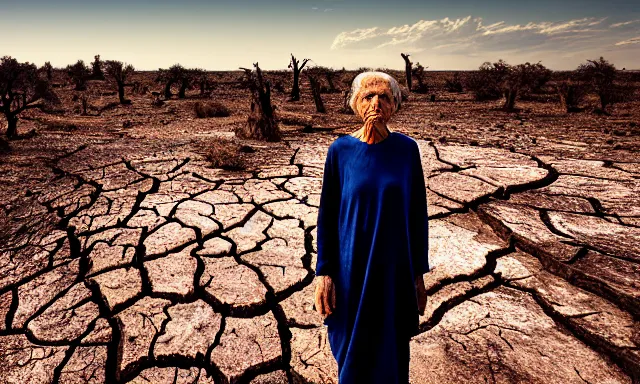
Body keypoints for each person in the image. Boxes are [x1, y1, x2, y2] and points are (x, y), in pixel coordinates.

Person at [314, 71, 430, 384]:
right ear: (356, 103)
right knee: (352, 354)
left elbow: (417, 214)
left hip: (394, 271)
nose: (376, 102)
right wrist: (324, 274)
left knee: (390, 356)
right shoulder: (340, 151)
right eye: (368, 96)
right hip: (350, 271)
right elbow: (327, 216)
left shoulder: (407, 150)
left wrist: (418, 276)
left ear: (395, 105)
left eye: (385, 97)